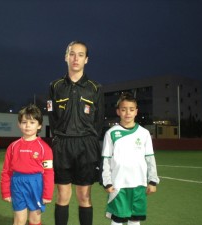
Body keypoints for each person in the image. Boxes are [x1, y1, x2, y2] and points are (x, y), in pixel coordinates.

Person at [48, 40, 105, 225]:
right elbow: (51, 116)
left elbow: (99, 121)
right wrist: (59, 136)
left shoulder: (95, 88)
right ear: (66, 57)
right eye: (72, 54)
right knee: (63, 195)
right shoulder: (55, 86)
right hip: (62, 145)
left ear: (86, 60)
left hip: (86, 146)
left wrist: (89, 138)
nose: (76, 58)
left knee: (84, 196)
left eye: (80, 55)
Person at [101, 92, 160, 225]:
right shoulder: (111, 133)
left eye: (131, 109)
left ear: (136, 112)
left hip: (139, 184)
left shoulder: (144, 133)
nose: (128, 113)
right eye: (123, 109)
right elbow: (106, 159)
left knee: (135, 219)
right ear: (118, 112)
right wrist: (107, 181)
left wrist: (153, 181)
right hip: (118, 184)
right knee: (117, 219)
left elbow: (150, 158)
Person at [0, 104, 54, 225]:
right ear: (19, 124)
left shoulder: (45, 148)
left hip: (36, 184)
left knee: (35, 220)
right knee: (19, 220)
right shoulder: (13, 147)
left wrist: (47, 194)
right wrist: (5, 191)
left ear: (39, 125)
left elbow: (49, 172)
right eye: (24, 122)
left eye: (32, 122)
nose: (28, 125)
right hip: (17, 183)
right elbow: (6, 171)